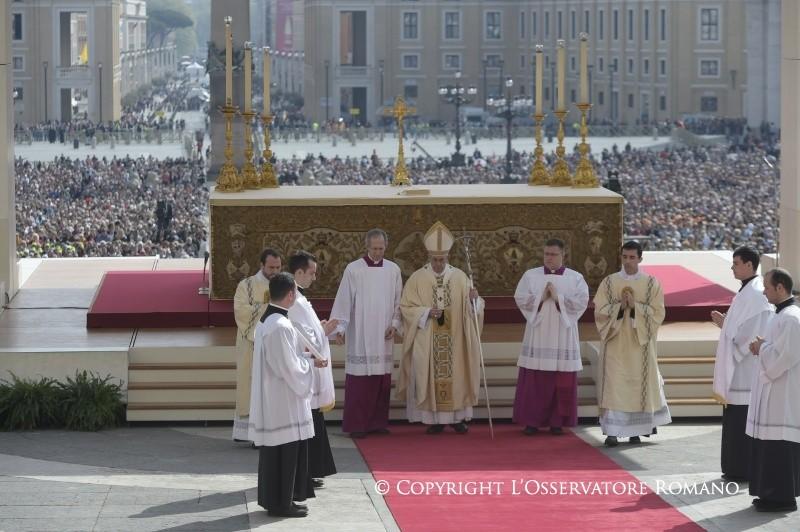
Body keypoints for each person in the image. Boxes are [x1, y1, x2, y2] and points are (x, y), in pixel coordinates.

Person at [249, 272, 328, 518]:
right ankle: (282, 504)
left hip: (275, 397)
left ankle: (277, 501)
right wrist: (309, 367)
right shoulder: (280, 326)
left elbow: (285, 359)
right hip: (284, 400)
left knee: (276, 455)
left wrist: (305, 359)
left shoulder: (267, 321)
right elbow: (288, 369)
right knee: (285, 453)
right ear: (291, 294)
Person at [397, 221, 484, 434]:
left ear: (448, 257)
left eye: (442, 259)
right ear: (429, 258)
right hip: (428, 337)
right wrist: (426, 312)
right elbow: (406, 307)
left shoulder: (461, 277)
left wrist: (475, 300)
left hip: (455, 339)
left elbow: (474, 309)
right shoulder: (418, 278)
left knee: (457, 375)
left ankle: (457, 418)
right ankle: (434, 420)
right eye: (435, 260)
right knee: (430, 375)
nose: (438, 263)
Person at [593, 241, 671, 447]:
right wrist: (620, 307)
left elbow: (658, 313)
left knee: (638, 385)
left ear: (640, 259)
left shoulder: (651, 283)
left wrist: (635, 307)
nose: (627, 261)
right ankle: (612, 432)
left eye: (632, 257)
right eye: (624, 257)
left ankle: (635, 431)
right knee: (614, 384)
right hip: (615, 344)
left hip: (640, 345)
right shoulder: (609, 283)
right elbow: (600, 311)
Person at [330, 228, 403, 438]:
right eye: (374, 248)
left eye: (381, 248)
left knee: (381, 380)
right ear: (367, 246)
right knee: (360, 382)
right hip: (361, 334)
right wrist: (340, 328)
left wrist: (395, 323)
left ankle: (377, 422)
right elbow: (344, 301)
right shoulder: (354, 269)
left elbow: (399, 300)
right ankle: (357, 425)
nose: (378, 252)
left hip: (383, 334)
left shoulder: (393, 270)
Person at [512, 238, 589, 435]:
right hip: (538, 334)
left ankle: (557, 422)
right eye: (546, 254)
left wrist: (558, 299)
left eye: (553, 254)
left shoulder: (575, 278)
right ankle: (532, 421)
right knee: (535, 380)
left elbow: (581, 302)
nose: (549, 258)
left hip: (563, 335)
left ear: (563, 255)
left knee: (560, 380)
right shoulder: (531, 275)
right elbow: (520, 298)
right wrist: (541, 298)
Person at [711, 246, 772, 481]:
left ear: (749, 265)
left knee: (741, 420)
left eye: (736, 263)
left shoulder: (756, 294)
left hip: (745, 370)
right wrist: (726, 323)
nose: (732, 267)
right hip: (737, 369)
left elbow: (752, 332)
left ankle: (741, 468)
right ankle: (733, 467)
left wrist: (726, 328)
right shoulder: (746, 291)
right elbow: (740, 327)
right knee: (734, 420)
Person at [746, 268, 800, 513]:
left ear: (780, 287)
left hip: (783, 391)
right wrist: (763, 346)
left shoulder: (791, 317)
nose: (764, 291)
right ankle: (769, 493)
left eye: (767, 287)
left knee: (780, 446)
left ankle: (782, 498)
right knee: (770, 445)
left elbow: (787, 355)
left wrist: (761, 348)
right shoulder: (778, 315)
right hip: (773, 389)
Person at [287, 251, 338, 488]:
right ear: (298, 273)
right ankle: (307, 471)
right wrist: (324, 332)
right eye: (311, 273)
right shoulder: (294, 301)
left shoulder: (299, 297)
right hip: (304, 368)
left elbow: (309, 330)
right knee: (309, 421)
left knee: (314, 420)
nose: (314, 278)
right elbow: (301, 336)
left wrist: (321, 328)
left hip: (310, 368)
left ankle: (313, 469)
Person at [231, 248, 282, 442]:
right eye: (271, 267)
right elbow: (241, 311)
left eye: (278, 267)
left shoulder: (285, 285)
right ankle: (247, 433)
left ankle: (265, 433)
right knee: (250, 384)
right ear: (262, 265)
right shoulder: (247, 285)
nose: (275, 271)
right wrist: (270, 308)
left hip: (276, 344)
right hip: (250, 343)